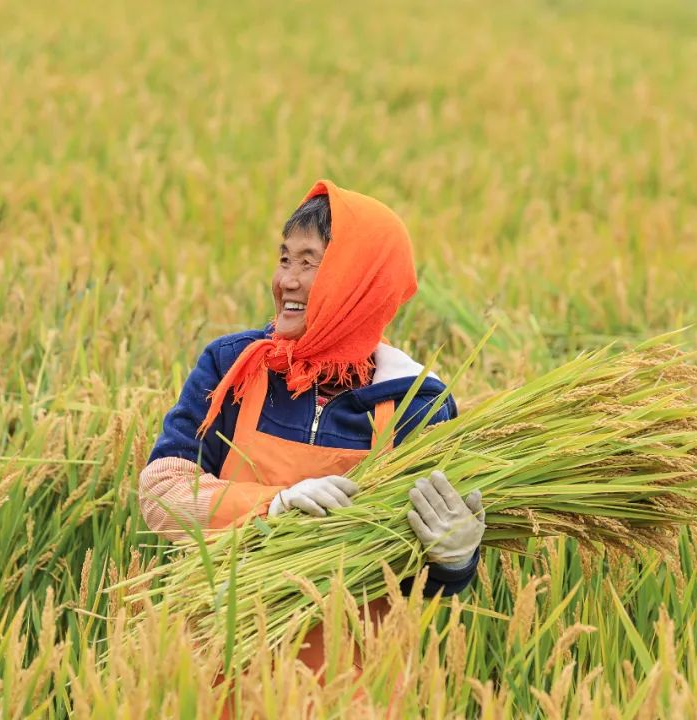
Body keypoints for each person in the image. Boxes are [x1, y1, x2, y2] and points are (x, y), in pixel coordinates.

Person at [138, 179, 485, 672]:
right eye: (284, 259)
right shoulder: (234, 366)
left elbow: (420, 573)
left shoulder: (417, 403)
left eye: (309, 262)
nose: (288, 282)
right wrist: (270, 507)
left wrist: (455, 559)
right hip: (220, 663)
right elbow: (161, 493)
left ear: (360, 283)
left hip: (352, 684)